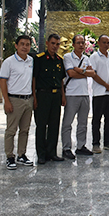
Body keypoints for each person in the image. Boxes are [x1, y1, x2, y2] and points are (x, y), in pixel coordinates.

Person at [0, 35, 34, 170]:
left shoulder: (31, 60)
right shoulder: (9, 62)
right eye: (22, 44)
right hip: (14, 99)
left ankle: (22, 154)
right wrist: (6, 101)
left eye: (27, 44)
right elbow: (2, 81)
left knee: (25, 130)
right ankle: (9, 156)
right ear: (16, 46)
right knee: (11, 130)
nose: (25, 47)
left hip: (28, 99)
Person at [33, 33, 66, 164]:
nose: (55, 46)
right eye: (53, 43)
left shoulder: (59, 60)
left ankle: (51, 152)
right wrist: (34, 97)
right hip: (42, 95)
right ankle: (41, 154)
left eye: (57, 44)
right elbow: (34, 79)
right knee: (41, 125)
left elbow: (61, 80)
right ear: (47, 43)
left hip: (56, 96)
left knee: (54, 125)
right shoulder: (39, 59)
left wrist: (63, 96)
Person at [61, 34, 96, 159]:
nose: (81, 45)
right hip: (71, 94)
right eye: (78, 43)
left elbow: (92, 73)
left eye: (83, 43)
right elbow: (70, 73)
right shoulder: (67, 57)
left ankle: (81, 146)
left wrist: (79, 70)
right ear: (73, 44)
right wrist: (84, 73)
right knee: (67, 123)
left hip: (85, 94)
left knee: (83, 123)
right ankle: (66, 148)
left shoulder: (86, 58)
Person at [89, 35, 109, 154]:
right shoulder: (94, 57)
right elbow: (94, 74)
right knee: (97, 119)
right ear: (98, 43)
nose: (106, 45)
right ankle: (95, 143)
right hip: (99, 93)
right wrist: (106, 85)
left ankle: (108, 142)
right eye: (104, 42)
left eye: (108, 42)